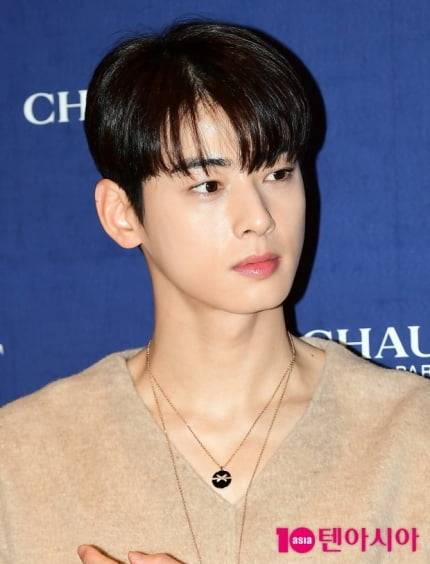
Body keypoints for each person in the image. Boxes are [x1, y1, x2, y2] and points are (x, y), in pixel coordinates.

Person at [1, 18, 429, 564]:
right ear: (122, 214)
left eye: (278, 174)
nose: (259, 218)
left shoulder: (413, 436)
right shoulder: (21, 456)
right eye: (208, 185)